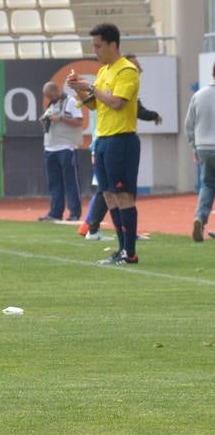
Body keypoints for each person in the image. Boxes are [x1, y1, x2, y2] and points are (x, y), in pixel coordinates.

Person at [67, 24, 142, 265]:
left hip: (122, 140)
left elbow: (117, 103)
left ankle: (129, 252)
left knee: (123, 196)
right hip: (103, 139)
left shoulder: (126, 71)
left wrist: (92, 88)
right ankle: (121, 250)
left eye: (98, 45)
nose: (95, 50)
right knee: (109, 196)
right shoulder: (103, 72)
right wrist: (80, 90)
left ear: (112, 44)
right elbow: (93, 105)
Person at [77, 54, 161, 240]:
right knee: (111, 191)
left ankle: (118, 236)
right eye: (136, 66)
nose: (139, 70)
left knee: (111, 191)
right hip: (107, 141)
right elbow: (111, 105)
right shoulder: (111, 81)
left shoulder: (112, 83)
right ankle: (94, 228)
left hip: (104, 141)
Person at [38, 81, 84, 222]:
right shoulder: (51, 105)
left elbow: (79, 121)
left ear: (56, 91)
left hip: (66, 147)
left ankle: (74, 213)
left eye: (50, 95)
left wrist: (62, 118)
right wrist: (45, 120)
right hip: (50, 148)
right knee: (54, 183)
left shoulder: (70, 101)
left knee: (70, 182)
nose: (49, 98)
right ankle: (55, 213)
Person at [184, 61, 215, 241]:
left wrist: (193, 146)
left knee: (207, 185)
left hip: (204, 146)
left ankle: (200, 218)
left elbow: (190, 124)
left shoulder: (199, 95)